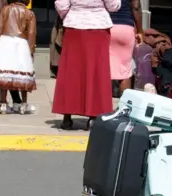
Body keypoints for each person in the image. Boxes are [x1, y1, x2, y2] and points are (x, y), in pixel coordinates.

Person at [52, 0, 121, 130]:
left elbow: (61, 5)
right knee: (97, 71)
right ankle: (93, 117)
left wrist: (72, 13)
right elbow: (114, 6)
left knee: (71, 71)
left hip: (74, 26)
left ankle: (67, 117)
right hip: (99, 26)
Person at [0, 0, 37, 115]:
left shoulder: (5, 9)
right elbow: (31, 33)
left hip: (5, 41)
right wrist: (31, 51)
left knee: (5, 74)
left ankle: (3, 104)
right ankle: (23, 105)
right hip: (21, 43)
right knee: (23, 73)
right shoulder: (29, 13)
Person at [109, 0, 144, 95]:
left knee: (105, 68)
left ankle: (104, 106)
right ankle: (124, 106)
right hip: (126, 28)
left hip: (107, 27)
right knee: (125, 71)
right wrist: (140, 30)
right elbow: (136, 7)